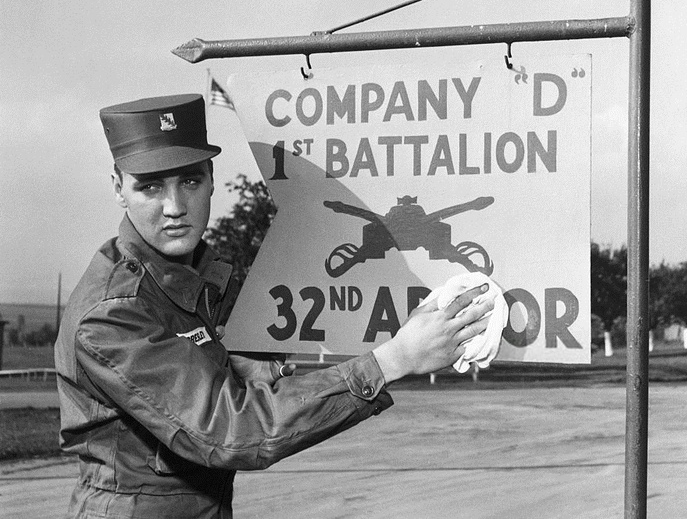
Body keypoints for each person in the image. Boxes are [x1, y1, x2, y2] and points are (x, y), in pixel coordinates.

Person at [54, 93, 493, 518]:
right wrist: (392, 360)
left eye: (189, 181)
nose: (174, 207)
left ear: (211, 178)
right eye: (150, 187)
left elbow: (217, 383)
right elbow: (229, 430)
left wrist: (239, 366)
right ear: (119, 188)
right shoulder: (113, 312)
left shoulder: (200, 278)